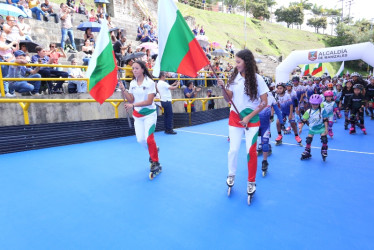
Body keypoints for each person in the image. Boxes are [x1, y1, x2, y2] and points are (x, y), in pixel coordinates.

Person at [217, 49, 268, 204]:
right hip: (235, 118)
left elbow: (264, 102)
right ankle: (231, 174)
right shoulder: (234, 78)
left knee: (250, 151)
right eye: (236, 62)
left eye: (238, 62)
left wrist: (248, 117)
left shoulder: (258, 79)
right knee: (233, 149)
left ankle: (251, 181)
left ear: (247, 62)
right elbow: (228, 99)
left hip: (251, 119)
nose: (236, 64)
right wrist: (222, 88)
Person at [119, 60, 162, 179]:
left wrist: (133, 105)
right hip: (137, 116)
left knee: (149, 138)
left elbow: (149, 101)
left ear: (143, 69)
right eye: (133, 68)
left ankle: (155, 161)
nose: (134, 70)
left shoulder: (150, 83)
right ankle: (154, 150)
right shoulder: (132, 83)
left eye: (136, 68)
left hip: (149, 114)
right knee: (140, 140)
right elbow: (131, 99)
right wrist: (124, 90)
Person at [257, 91, 283, 176]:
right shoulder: (254, 96)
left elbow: (277, 111)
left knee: (265, 144)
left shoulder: (271, 98)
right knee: (251, 145)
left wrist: (281, 121)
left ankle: (265, 161)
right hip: (254, 125)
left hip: (265, 126)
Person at [299, 94, 329, 161]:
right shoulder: (308, 111)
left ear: (319, 103)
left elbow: (325, 120)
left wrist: (326, 129)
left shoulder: (322, 110)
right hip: (312, 127)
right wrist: (301, 128)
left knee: (324, 139)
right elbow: (303, 120)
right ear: (311, 103)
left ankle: (324, 150)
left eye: (316, 104)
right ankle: (307, 151)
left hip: (321, 127)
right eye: (313, 104)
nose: (315, 106)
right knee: (308, 140)